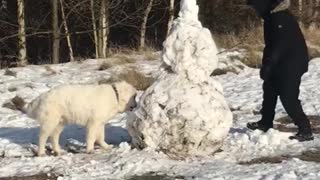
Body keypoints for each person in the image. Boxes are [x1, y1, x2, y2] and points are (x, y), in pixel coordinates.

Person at [246, 0, 314, 141]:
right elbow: (271, 46)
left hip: (291, 64)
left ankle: (305, 129)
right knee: (269, 89)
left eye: (255, 6)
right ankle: (265, 122)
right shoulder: (272, 17)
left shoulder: (280, 17)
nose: (255, 10)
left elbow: (279, 45)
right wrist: (267, 65)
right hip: (281, 62)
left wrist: (269, 65)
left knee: (288, 97)